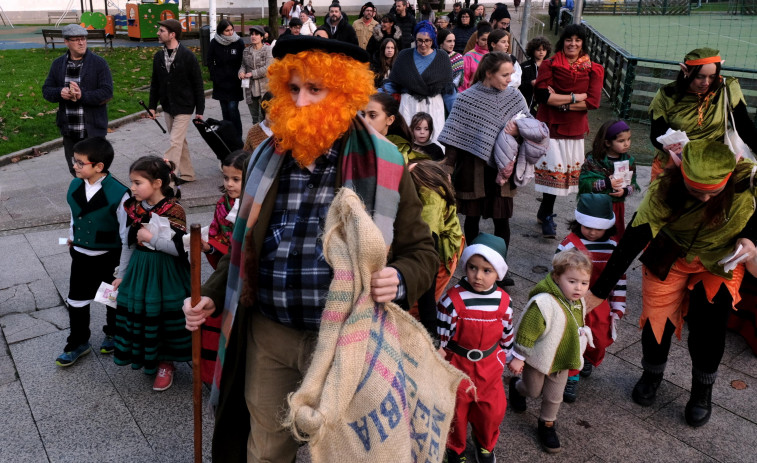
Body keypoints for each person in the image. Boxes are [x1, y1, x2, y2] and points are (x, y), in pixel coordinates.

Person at [182, 35, 438, 462]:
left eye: (315, 89)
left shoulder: (387, 163)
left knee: (340, 451)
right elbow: (244, 246)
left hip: (346, 341)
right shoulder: (265, 156)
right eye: (293, 89)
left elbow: (422, 252)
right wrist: (210, 293)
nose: (301, 101)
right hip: (270, 333)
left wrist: (402, 277)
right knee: (264, 447)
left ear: (344, 93)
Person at [586, 140, 757, 428]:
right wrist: (599, 292)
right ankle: (652, 374)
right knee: (657, 320)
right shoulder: (663, 190)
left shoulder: (747, 181)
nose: (704, 200)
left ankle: (702, 391)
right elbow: (632, 240)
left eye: (711, 193)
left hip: (719, 258)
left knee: (710, 324)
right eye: (695, 192)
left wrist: (751, 237)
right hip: (670, 254)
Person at [438, 52, 534, 251]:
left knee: (502, 220)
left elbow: (530, 125)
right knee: (472, 219)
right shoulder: (466, 99)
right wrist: (447, 169)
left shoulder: (514, 96)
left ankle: (501, 265)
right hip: (472, 169)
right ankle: (471, 260)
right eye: (505, 75)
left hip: (502, 168)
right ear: (489, 73)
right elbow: (454, 136)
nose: (510, 80)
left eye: (511, 74)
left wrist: (520, 130)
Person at [112, 156, 190, 391]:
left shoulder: (174, 210)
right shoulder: (133, 207)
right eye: (131, 182)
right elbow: (129, 242)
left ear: (157, 183)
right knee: (143, 312)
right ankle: (150, 356)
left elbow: (179, 249)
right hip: (140, 267)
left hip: (166, 271)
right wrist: (121, 273)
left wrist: (151, 238)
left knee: (165, 314)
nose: (132, 188)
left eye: (137, 183)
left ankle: (167, 362)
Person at [437, 233, 513, 463]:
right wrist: (438, 357)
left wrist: (510, 356)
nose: (477, 276)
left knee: (491, 411)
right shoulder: (452, 300)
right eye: (472, 267)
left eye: (486, 270)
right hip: (458, 366)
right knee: (456, 413)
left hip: (489, 366)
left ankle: (485, 444)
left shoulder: (504, 301)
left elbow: (506, 332)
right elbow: (441, 336)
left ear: (498, 272)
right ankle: (456, 448)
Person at [508, 248, 593, 453]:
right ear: (556, 277)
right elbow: (528, 330)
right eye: (571, 281)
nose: (578, 288)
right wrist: (519, 357)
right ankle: (517, 387)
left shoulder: (578, 301)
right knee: (533, 391)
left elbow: (577, 323)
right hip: (539, 358)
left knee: (555, 396)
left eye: (584, 283)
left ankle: (547, 424)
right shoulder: (544, 303)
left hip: (563, 358)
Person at [55, 137, 128, 367]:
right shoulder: (74, 185)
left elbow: (126, 233)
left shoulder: (119, 193)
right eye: (74, 161)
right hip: (80, 254)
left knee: (111, 298)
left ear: (99, 166)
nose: (74, 166)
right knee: (76, 300)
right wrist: (71, 235)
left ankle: (114, 333)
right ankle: (78, 342)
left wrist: (123, 269)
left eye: (80, 163)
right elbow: (73, 214)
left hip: (109, 256)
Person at [533, 24, 604, 238]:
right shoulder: (550, 64)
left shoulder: (594, 68)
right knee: (552, 173)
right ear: (562, 41)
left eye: (577, 40)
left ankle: (546, 212)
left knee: (565, 175)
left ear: (583, 43)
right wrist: (575, 97)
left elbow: (592, 102)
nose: (573, 44)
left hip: (574, 128)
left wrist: (562, 102)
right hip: (551, 126)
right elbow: (544, 97)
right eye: (568, 39)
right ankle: (546, 214)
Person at [556, 194, 626, 403]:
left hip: (599, 304)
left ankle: (588, 358)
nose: (593, 232)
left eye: (598, 228)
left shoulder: (613, 248)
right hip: (571, 302)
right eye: (587, 226)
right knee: (572, 340)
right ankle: (572, 377)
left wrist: (618, 305)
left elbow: (619, 279)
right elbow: (555, 275)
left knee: (598, 338)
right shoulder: (568, 245)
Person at [648, 48, 757, 181]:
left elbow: (744, 126)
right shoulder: (667, 94)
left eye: (712, 76)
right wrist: (665, 146)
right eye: (699, 76)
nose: (706, 83)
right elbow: (656, 132)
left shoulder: (726, 88)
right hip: (676, 161)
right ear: (685, 70)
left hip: (713, 162)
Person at [198, 150, 247, 385]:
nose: (229, 184)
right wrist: (208, 248)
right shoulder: (222, 204)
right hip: (224, 273)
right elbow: (218, 235)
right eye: (225, 178)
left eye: (236, 179)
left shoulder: (255, 205)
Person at [42, 24, 113, 177]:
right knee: (76, 171)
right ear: (66, 42)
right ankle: (84, 199)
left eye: (83, 39)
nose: (81, 43)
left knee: (96, 171)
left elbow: (107, 93)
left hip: (92, 130)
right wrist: (60, 92)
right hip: (69, 129)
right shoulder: (58, 64)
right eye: (76, 40)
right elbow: (46, 91)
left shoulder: (99, 63)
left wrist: (83, 96)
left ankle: (100, 199)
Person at [146, 19, 204, 184]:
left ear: (172, 34)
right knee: (180, 141)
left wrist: (200, 111)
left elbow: (198, 84)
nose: (158, 33)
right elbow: (155, 83)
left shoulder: (188, 56)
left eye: (162, 31)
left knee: (174, 141)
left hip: (185, 106)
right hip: (167, 106)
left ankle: (167, 180)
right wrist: (151, 107)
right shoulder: (159, 56)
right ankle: (188, 174)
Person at [409, 159, 463, 334]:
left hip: (440, 255)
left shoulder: (428, 195)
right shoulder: (433, 192)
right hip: (443, 251)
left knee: (422, 301)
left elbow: (427, 286)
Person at [381, 21, 456, 146]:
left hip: (433, 106)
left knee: (434, 144)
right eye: (420, 40)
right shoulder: (405, 55)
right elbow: (393, 84)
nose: (423, 44)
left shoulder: (442, 57)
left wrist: (457, 114)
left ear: (433, 40)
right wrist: (376, 96)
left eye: (427, 40)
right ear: (415, 39)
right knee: (407, 142)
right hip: (409, 106)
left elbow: (448, 91)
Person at [579, 120, 639, 236]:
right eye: (621, 141)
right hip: (595, 206)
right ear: (607, 142)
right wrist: (607, 183)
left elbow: (633, 184)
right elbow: (584, 183)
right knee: (593, 234)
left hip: (616, 206)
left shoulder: (629, 161)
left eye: (628, 139)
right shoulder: (594, 160)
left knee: (613, 235)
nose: (627, 144)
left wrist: (625, 191)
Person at [208, 19, 245, 143]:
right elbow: (209, 61)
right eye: (227, 30)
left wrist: (241, 73)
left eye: (231, 30)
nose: (230, 33)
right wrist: (214, 76)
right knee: (225, 111)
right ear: (221, 31)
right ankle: (229, 137)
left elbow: (243, 61)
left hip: (234, 82)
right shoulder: (214, 43)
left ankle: (238, 137)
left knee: (233, 108)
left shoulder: (238, 42)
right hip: (220, 82)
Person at [364, 93, 427, 162]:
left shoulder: (398, 150)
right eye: (362, 115)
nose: (365, 120)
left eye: (372, 115)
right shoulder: (355, 141)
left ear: (390, 120)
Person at [239, 25, 273, 125]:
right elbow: (243, 65)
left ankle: (265, 139)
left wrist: (252, 73)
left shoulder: (268, 49)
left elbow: (269, 67)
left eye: (256, 34)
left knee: (264, 117)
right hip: (250, 88)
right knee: (254, 118)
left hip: (265, 88)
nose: (253, 36)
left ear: (262, 37)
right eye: (252, 34)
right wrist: (241, 72)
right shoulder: (246, 51)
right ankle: (255, 139)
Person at [519, 35, 552, 114]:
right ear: (532, 50)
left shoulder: (551, 66)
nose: (541, 52)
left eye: (544, 50)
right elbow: (518, 84)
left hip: (544, 104)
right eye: (538, 50)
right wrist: (530, 83)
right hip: (527, 104)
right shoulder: (524, 66)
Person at [460, 21, 490, 91]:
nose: (486, 43)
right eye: (483, 39)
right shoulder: (468, 56)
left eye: (488, 40)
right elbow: (464, 81)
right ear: (477, 39)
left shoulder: (494, 55)